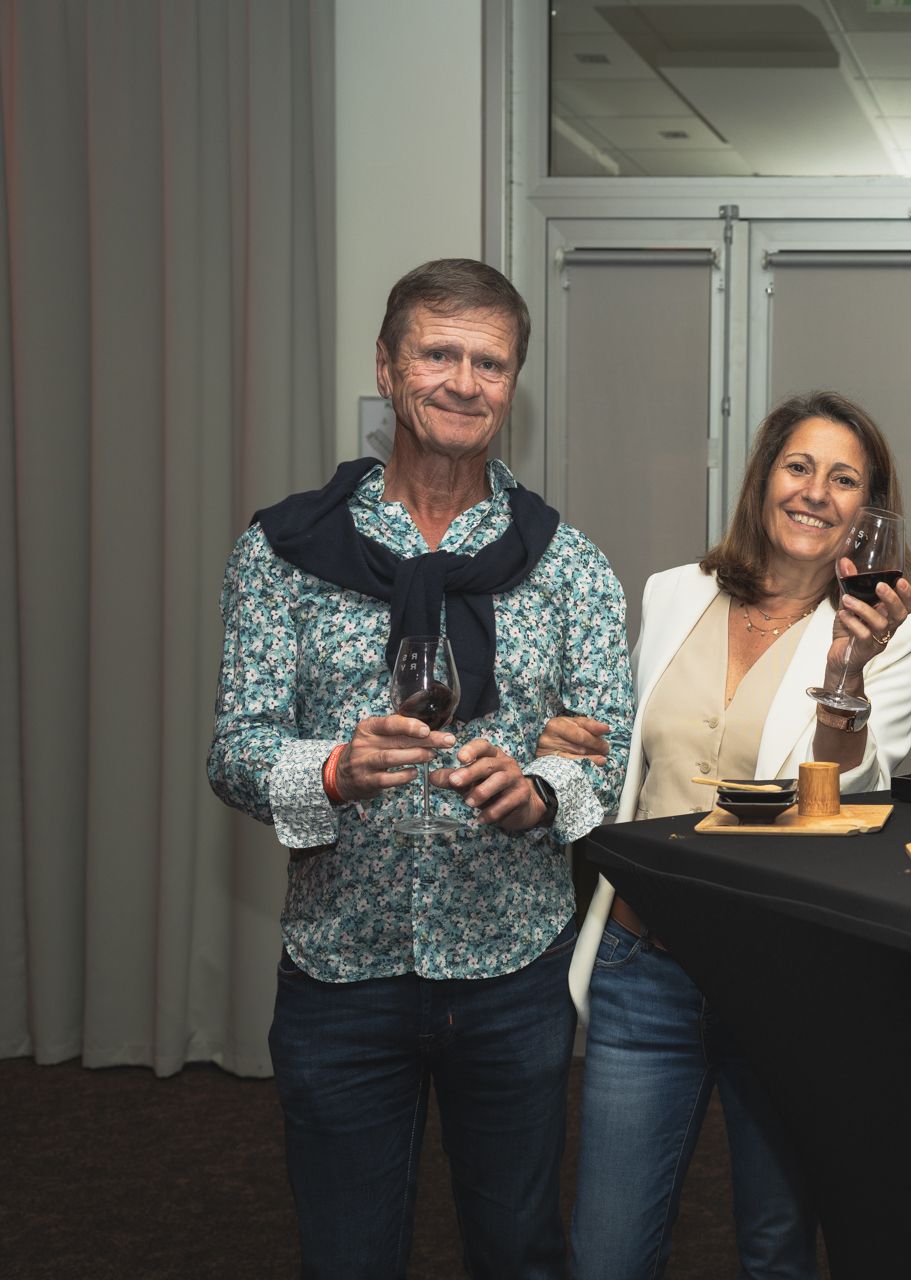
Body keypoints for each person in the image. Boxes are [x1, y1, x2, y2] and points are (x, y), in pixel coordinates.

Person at [206, 258, 635, 1278]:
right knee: (347, 1255)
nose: (463, 381)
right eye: (438, 353)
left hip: (513, 969)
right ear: (387, 366)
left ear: (513, 382)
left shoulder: (567, 564)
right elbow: (236, 748)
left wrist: (536, 792)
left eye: (490, 362)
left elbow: (605, 749)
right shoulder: (284, 550)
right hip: (340, 971)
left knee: (519, 1250)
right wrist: (333, 770)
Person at [539, 391, 911, 1280]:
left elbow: (847, 796)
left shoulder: (898, 639)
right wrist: (564, 742)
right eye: (799, 467)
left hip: (782, 977)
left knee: (775, 1248)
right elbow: (631, 755)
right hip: (644, 966)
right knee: (606, 1255)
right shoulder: (673, 593)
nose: (815, 492)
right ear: (764, 481)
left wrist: (847, 671)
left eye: (845, 480)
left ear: (868, 514)